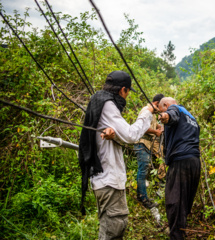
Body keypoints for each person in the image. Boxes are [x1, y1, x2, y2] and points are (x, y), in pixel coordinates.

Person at [78, 70, 157, 240]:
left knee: (111, 230)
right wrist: (147, 112)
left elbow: (114, 137)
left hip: (104, 179)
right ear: (123, 90)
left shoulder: (99, 101)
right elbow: (130, 135)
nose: (127, 97)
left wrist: (113, 135)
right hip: (109, 180)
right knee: (114, 230)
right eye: (128, 92)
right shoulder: (108, 104)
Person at [158, 97, 201, 240]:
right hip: (194, 162)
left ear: (165, 105)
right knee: (184, 204)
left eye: (161, 110)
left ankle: (177, 236)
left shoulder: (174, 109)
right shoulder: (191, 117)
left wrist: (165, 116)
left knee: (174, 203)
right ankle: (180, 234)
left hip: (180, 162)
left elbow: (171, 115)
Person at [134, 93, 165, 209]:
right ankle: (142, 198)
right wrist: (155, 132)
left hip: (147, 144)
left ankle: (143, 195)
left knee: (144, 170)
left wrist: (159, 127)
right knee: (142, 171)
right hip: (142, 143)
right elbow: (142, 127)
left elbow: (152, 124)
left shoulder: (151, 114)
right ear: (157, 104)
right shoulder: (146, 111)